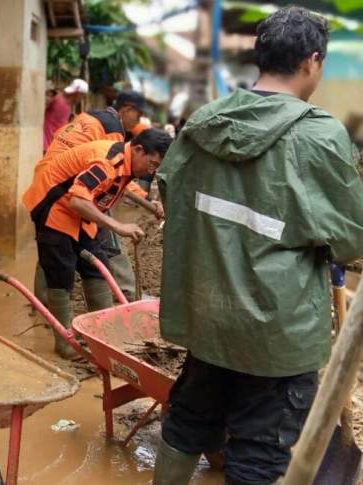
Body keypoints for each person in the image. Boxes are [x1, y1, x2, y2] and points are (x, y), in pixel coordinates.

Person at [153, 7, 363, 484]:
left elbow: (173, 194)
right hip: (278, 334)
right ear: (312, 61)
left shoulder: (205, 121)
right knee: (260, 453)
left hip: (208, 317)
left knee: (187, 423)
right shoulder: (319, 134)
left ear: (260, 57)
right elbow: (352, 237)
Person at [22, 129, 172, 358]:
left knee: (98, 269)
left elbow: (118, 191)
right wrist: (118, 226)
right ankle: (65, 343)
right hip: (55, 207)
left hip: (82, 214)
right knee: (60, 274)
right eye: (152, 164)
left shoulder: (128, 164)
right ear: (139, 149)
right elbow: (77, 201)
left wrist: (151, 203)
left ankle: (102, 335)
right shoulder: (108, 161)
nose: (151, 171)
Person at [43, 78, 88, 151]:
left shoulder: (69, 105)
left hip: (55, 147)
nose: (82, 99)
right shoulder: (56, 98)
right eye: (82, 96)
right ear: (77, 94)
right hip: (46, 146)